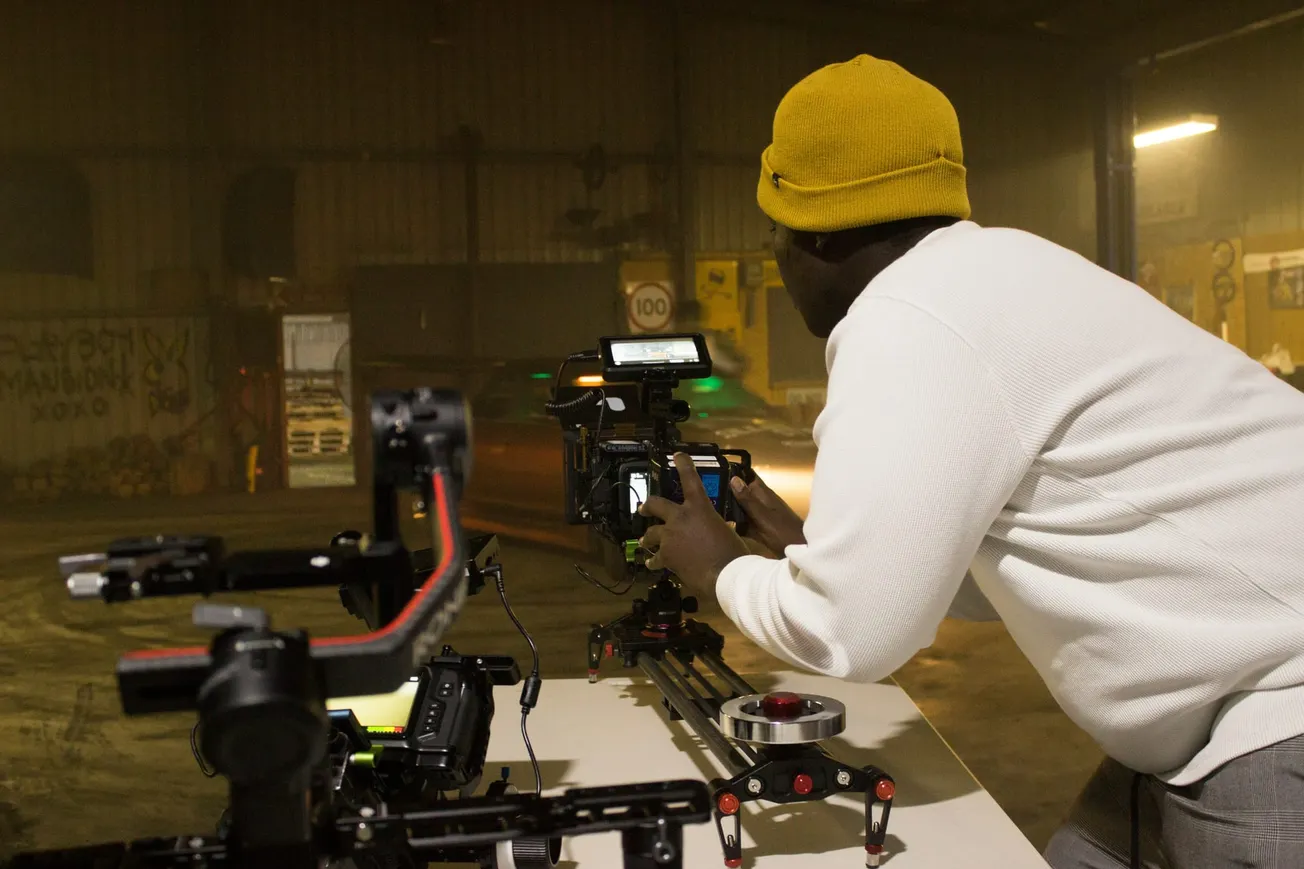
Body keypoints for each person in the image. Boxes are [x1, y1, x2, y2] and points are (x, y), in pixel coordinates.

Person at [635, 54, 1304, 869]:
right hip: (1208, 718)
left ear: (810, 231)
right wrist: (819, 553)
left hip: (1276, 714)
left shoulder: (904, 322)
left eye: (772, 229)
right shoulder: (1002, 272)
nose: (775, 255)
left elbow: (852, 636)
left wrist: (724, 569)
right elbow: (1028, 557)